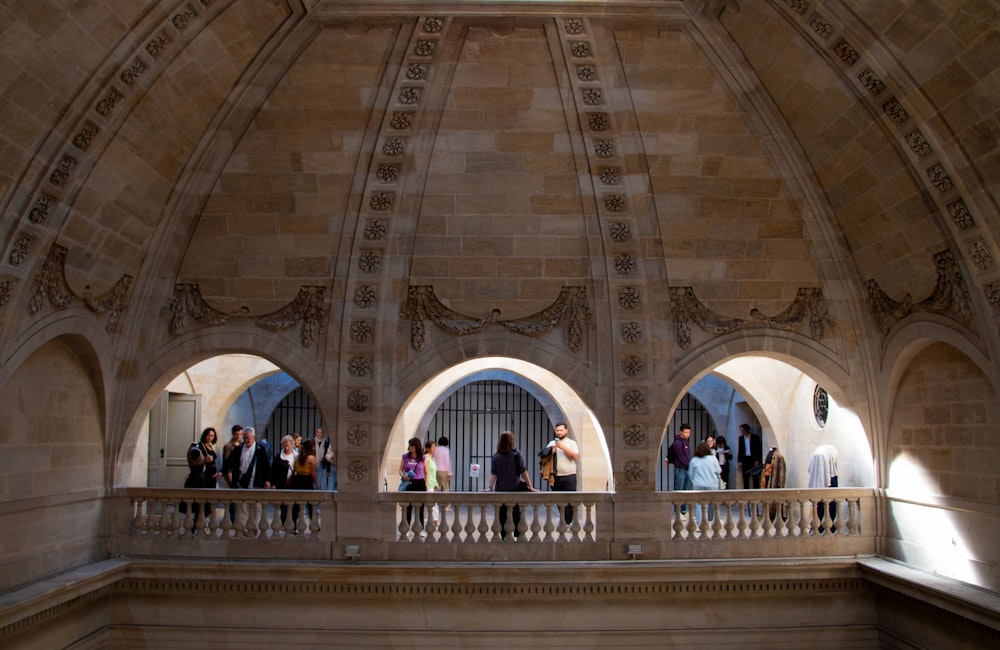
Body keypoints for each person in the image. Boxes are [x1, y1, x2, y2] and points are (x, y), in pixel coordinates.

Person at [490, 431, 537, 539]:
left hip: (500, 489)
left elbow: (493, 474)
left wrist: (489, 487)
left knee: (502, 513)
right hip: (514, 488)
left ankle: (503, 535)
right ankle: (517, 533)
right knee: (515, 512)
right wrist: (530, 487)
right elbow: (523, 471)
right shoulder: (516, 454)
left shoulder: (496, 456)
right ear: (511, 441)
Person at [546, 422, 579, 524]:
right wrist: (551, 452)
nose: (559, 432)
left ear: (566, 431)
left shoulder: (572, 443)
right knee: (559, 501)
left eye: (561, 430)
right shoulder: (552, 443)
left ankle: (569, 522)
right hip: (556, 477)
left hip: (569, 476)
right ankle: (563, 521)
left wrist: (563, 447)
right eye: (557, 430)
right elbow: (544, 458)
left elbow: (575, 457)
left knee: (570, 501)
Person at [807, 444, 839, 532]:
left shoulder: (832, 473)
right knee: (819, 509)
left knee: (827, 508)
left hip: (827, 491)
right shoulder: (819, 455)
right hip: (820, 492)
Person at [689, 441, 722, 524]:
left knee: (699, 505)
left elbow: (691, 474)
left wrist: (695, 480)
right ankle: (715, 521)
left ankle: (700, 523)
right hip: (712, 484)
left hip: (699, 484)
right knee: (715, 505)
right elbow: (719, 470)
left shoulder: (694, 460)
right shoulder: (713, 459)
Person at [289, 439, 317, 531]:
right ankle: (314, 525)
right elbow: (313, 473)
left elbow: (295, 470)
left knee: (296, 505)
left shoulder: (297, 457)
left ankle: (292, 526)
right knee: (311, 505)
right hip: (307, 480)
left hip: (297, 480)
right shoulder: (311, 458)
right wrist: (316, 483)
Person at [398, 437, 427, 528]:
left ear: (417, 447)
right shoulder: (405, 456)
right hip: (409, 482)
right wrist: (403, 476)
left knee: (421, 507)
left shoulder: (422, 458)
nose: (410, 447)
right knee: (408, 507)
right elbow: (400, 469)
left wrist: (426, 483)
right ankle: (406, 526)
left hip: (420, 482)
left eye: (412, 446)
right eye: (410, 445)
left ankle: (421, 527)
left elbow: (426, 472)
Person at [666, 424, 693, 514]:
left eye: (689, 432)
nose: (687, 434)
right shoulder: (678, 442)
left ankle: (683, 510)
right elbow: (681, 456)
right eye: (685, 432)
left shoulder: (686, 442)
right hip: (680, 468)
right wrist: (689, 464)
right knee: (679, 489)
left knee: (685, 490)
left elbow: (687, 455)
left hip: (685, 469)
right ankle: (678, 510)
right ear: (681, 432)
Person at [270, 435, 296, 526]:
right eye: (285, 446)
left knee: (293, 505)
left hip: (293, 484)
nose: (286, 448)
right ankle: (284, 523)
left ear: (292, 445)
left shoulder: (296, 456)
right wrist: (273, 484)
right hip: (282, 484)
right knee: (283, 505)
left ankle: (293, 523)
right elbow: (273, 471)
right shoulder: (278, 457)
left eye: (288, 446)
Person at [736, 423, 763, 489]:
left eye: (742, 430)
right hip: (745, 459)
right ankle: (746, 491)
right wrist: (739, 461)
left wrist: (757, 460)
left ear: (746, 430)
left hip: (753, 459)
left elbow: (758, 449)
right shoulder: (741, 438)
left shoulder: (755, 437)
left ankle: (756, 491)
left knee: (755, 477)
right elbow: (740, 450)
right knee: (745, 477)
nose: (741, 432)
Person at [314, 426, 336, 491]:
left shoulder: (326, 443)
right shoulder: (312, 442)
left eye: (320, 432)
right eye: (318, 432)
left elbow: (327, 456)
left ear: (323, 433)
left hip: (321, 464)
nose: (319, 433)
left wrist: (328, 470)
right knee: (313, 483)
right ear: (315, 433)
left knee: (320, 484)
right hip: (313, 464)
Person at [424, 440, 440, 527]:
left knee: (433, 505)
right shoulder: (426, 458)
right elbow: (426, 472)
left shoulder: (432, 458)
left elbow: (433, 473)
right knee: (432, 505)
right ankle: (435, 522)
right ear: (428, 448)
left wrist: (436, 483)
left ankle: (434, 521)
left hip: (432, 483)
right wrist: (426, 484)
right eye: (432, 447)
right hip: (428, 484)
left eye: (435, 446)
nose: (434, 448)